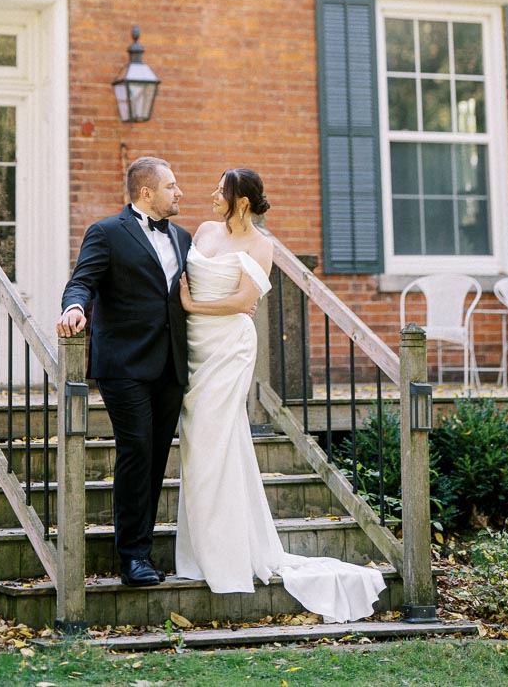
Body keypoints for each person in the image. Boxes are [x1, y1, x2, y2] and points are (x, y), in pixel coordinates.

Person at [175, 168, 387, 623]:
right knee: (201, 443)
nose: (213, 196)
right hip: (194, 347)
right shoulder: (205, 230)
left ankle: (226, 554)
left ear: (243, 202)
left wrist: (193, 306)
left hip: (229, 347)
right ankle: (203, 546)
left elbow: (242, 302)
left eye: (222, 191)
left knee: (214, 438)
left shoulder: (260, 245)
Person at [57, 156, 191, 587]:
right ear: (146, 192)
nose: (179, 192)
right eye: (172, 186)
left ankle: (143, 548)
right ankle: (132, 557)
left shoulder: (184, 237)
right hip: (124, 364)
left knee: (154, 457)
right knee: (136, 451)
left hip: (170, 363)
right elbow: (82, 280)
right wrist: (74, 307)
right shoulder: (107, 232)